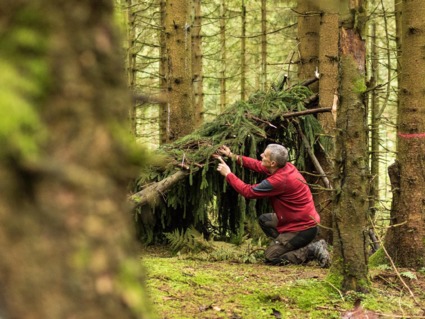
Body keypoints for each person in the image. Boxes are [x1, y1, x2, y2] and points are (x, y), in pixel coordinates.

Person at [214, 144, 330, 267]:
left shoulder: (279, 180)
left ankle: (310, 250)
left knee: (271, 257)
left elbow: (248, 192)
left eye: (265, 155)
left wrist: (228, 174)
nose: (261, 156)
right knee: (265, 220)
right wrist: (232, 155)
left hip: (302, 228)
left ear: (273, 163)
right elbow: (257, 165)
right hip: (295, 220)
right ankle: (285, 245)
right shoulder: (284, 167)